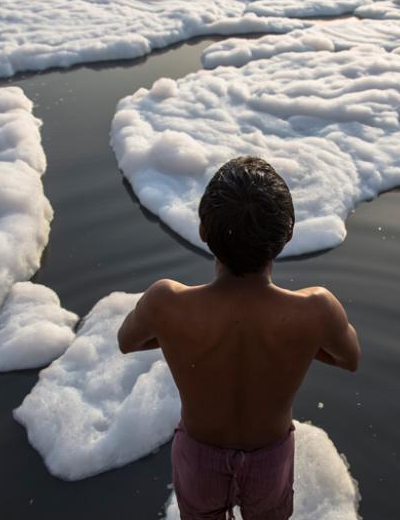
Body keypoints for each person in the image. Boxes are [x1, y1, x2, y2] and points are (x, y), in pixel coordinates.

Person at [118, 156, 360, 520]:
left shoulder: (166, 303)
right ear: (288, 234)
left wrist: (174, 335)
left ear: (202, 230)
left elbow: (128, 341)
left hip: (199, 455)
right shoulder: (316, 311)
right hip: (270, 459)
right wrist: (303, 342)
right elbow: (349, 359)